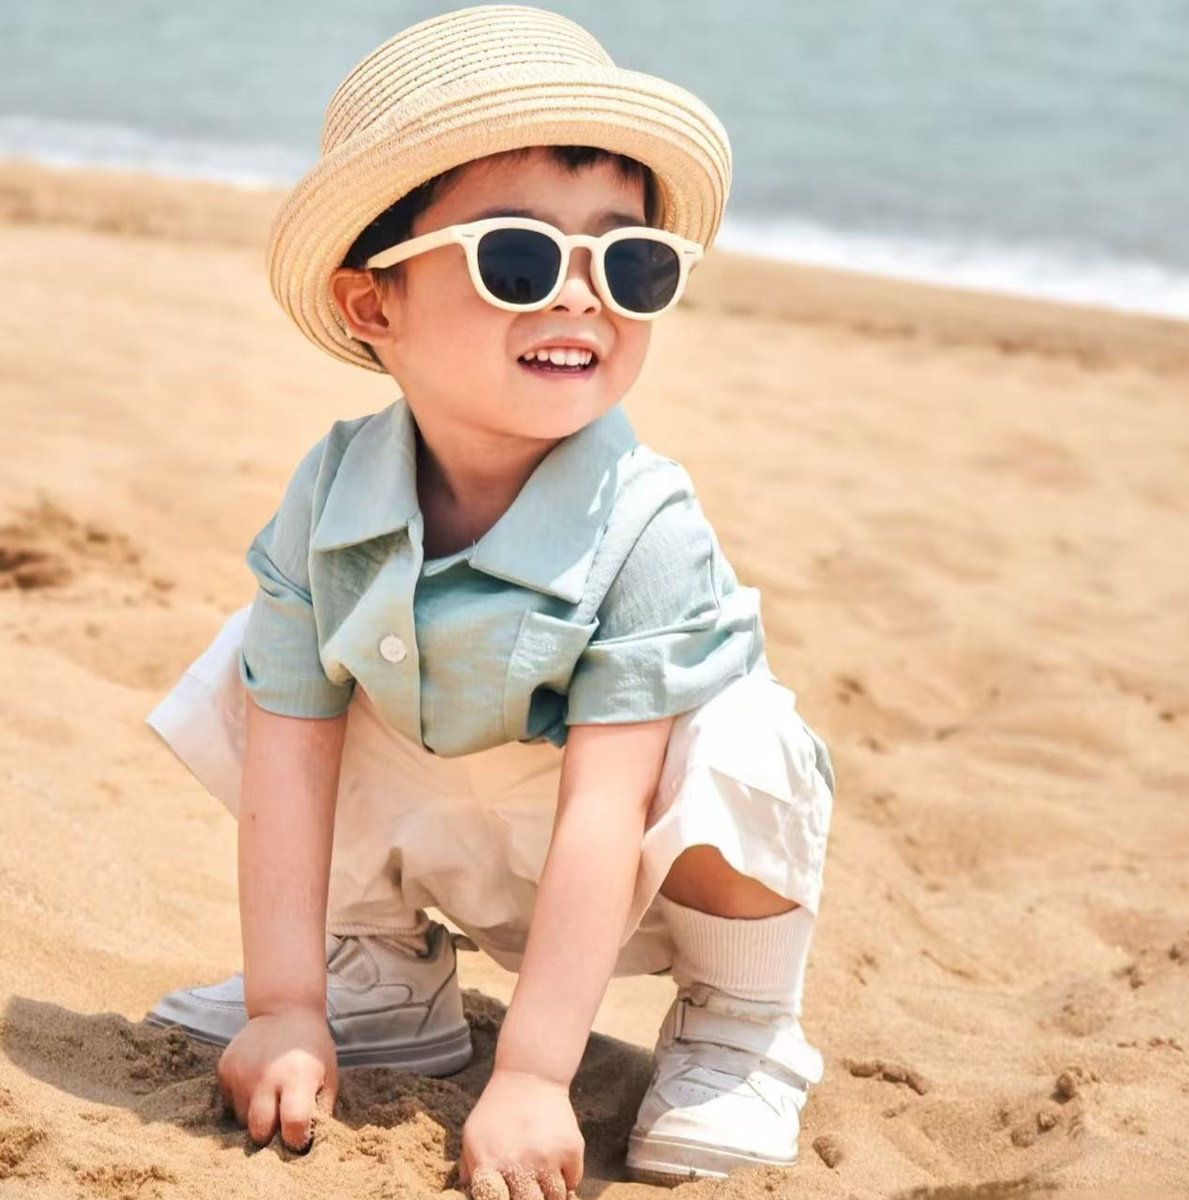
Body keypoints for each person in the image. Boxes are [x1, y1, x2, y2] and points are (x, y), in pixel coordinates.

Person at [142, 6, 835, 1196]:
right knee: (251, 668)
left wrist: (531, 1077)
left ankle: (741, 1016)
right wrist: (283, 1004)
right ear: (375, 308)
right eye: (516, 258)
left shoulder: (646, 523)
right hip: (455, 817)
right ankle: (378, 974)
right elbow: (297, 757)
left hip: (631, 856)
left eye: (631, 262)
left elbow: (603, 816)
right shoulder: (333, 494)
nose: (580, 299)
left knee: (743, 734)